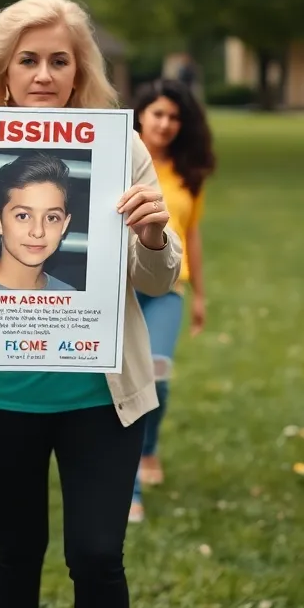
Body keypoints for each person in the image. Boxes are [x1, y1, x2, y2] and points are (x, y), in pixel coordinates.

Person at [0, 0, 183, 608]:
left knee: (97, 555)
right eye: (28, 59)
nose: (43, 75)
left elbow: (160, 282)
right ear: (3, 69)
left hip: (101, 395)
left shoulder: (124, 148)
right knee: (16, 550)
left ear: (80, 69)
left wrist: (154, 234)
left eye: (60, 60)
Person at [127, 78, 216, 523]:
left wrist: (199, 294)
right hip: (123, 287)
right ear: (140, 114)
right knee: (126, 382)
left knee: (157, 375)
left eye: (174, 117)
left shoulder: (188, 175)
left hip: (167, 290)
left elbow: (192, 235)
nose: (165, 124)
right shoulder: (120, 161)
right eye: (157, 113)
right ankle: (131, 490)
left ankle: (149, 447)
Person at [0, 151, 77, 290]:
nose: (38, 231)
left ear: (64, 225)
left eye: (52, 218)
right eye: (23, 216)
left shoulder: (70, 297)